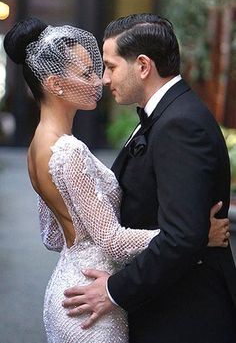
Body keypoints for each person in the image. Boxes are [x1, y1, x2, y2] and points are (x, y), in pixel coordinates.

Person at [3, 17, 230, 343]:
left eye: (107, 67)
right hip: (91, 297)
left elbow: (53, 236)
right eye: (89, 72)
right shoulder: (68, 151)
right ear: (56, 84)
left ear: (142, 66)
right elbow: (110, 239)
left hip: (74, 286)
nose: (101, 80)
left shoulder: (41, 145)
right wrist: (195, 236)